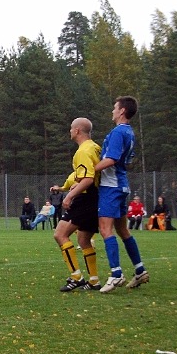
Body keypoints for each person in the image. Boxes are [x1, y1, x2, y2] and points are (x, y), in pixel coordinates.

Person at [94, 96, 149, 293]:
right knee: (123, 230)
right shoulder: (130, 133)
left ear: (122, 111)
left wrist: (91, 170)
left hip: (111, 187)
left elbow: (112, 159)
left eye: (115, 108)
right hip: (122, 185)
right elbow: (126, 163)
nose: (113, 111)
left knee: (105, 229)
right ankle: (140, 270)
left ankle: (116, 274)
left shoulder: (118, 132)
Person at [53, 117, 102, 292]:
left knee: (60, 234)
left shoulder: (82, 151)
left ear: (77, 131)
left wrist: (68, 196)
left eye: (71, 128)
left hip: (85, 197)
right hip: (96, 196)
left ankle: (76, 277)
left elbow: (87, 179)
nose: (70, 131)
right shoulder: (95, 147)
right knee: (84, 239)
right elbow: (85, 175)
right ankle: (94, 280)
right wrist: (66, 186)